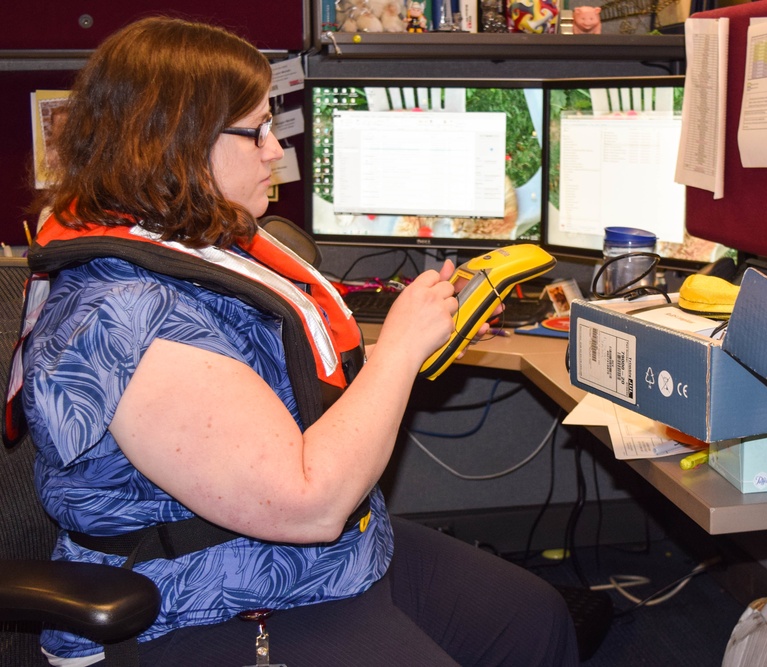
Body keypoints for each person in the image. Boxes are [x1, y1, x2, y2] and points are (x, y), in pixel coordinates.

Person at [15, 16, 578, 666]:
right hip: (201, 598)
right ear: (176, 140)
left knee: (534, 619)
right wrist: (397, 352)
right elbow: (309, 503)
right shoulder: (122, 313)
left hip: (320, 556)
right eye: (255, 130)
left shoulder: (201, 247)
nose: (276, 150)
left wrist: (413, 336)